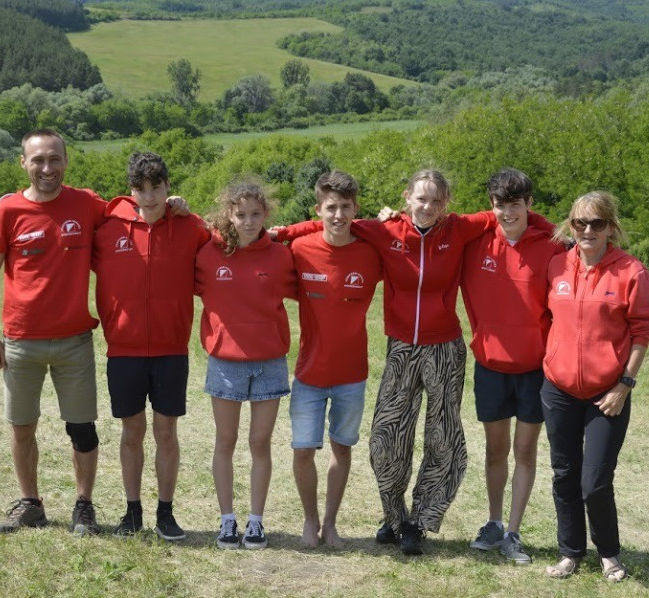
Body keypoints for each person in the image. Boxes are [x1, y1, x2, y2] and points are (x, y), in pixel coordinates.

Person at [276, 169, 552, 555]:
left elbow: (509, 214)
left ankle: (420, 522)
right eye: (421, 199)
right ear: (407, 197)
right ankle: (394, 515)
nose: (428, 207)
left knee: (442, 440)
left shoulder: (458, 229)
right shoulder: (385, 230)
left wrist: (558, 231)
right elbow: (334, 218)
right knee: (388, 439)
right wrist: (282, 233)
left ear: (446, 204)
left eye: (436, 201)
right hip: (402, 348)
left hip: (445, 350)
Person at [0, 128, 105, 536]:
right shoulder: (6, 211)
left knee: (82, 427)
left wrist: (172, 205)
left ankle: (84, 505)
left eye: (54, 159)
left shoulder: (86, 204)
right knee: (22, 426)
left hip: (74, 341)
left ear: (66, 161)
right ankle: (31, 503)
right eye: (38, 160)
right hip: (21, 340)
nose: (47, 167)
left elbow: (134, 212)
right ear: (24, 163)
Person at [92, 152, 210, 540]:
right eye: (140, 189)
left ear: (167, 187)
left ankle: (165, 512)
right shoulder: (107, 229)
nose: (149, 196)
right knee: (131, 432)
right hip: (123, 352)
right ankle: (132, 511)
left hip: (171, 350)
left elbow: (226, 242)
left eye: (156, 187)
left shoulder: (190, 227)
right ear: (131, 190)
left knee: (166, 433)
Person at [541, 191, 649, 582]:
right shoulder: (556, 266)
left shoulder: (631, 272)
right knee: (564, 474)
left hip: (608, 393)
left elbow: (642, 331)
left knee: (594, 482)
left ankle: (608, 553)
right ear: (570, 226)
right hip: (558, 390)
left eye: (597, 223)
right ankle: (570, 552)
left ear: (610, 227)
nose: (587, 230)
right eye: (580, 223)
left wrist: (624, 384)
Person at [460, 168, 565, 564]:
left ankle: (515, 532)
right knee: (494, 450)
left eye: (516, 205)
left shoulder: (554, 246)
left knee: (525, 449)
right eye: (500, 205)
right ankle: (493, 522)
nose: (508, 213)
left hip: (535, 369)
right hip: (489, 364)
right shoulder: (475, 243)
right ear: (491, 205)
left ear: (529, 205)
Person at [194, 180, 297, 550]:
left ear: (266, 214)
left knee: (259, 442)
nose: (249, 221)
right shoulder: (207, 254)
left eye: (256, 214)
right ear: (229, 216)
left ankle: (255, 521)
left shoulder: (282, 256)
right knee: (226, 440)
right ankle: (226, 519)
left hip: (269, 361)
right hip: (225, 361)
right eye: (241, 214)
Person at [287, 171, 382, 548]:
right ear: (318, 210)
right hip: (309, 373)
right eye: (331, 208)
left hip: (352, 375)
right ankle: (309, 520)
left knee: (342, 448)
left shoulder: (371, 252)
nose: (339, 215)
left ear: (356, 209)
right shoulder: (299, 249)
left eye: (345, 207)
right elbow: (259, 239)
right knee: (303, 450)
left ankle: (331, 523)